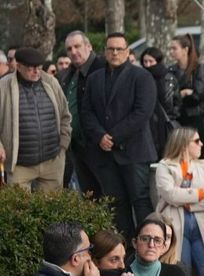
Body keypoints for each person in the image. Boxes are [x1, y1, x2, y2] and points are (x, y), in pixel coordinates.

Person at [81, 33, 157, 237]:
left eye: (119, 49)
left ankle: (149, 245)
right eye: (110, 49)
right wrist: (100, 136)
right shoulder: (94, 78)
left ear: (127, 52)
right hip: (104, 154)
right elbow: (86, 112)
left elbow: (142, 113)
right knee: (115, 204)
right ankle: (125, 249)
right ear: (104, 52)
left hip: (134, 151)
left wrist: (112, 137)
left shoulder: (141, 76)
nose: (115, 53)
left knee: (140, 201)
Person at [154, 126, 204, 276]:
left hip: (202, 230)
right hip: (176, 230)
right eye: (196, 141)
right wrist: (199, 194)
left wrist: (190, 205)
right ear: (184, 144)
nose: (201, 144)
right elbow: (170, 194)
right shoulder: (165, 166)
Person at [0, 47, 71, 192]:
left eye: (39, 67)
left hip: (52, 161)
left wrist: (63, 146)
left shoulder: (51, 82)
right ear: (18, 66)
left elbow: (65, 115)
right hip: (19, 165)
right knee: (20, 212)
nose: (36, 71)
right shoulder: (3, 86)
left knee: (52, 211)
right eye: (31, 68)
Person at [58, 30, 105, 195]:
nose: (73, 52)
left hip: (98, 145)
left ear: (89, 46)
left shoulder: (102, 69)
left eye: (77, 46)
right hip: (77, 145)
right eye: (69, 49)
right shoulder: (68, 74)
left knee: (108, 197)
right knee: (89, 196)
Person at [168, 34, 204, 150]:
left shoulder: (198, 68)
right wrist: (182, 93)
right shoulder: (171, 70)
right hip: (177, 116)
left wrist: (182, 94)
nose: (171, 52)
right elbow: (169, 95)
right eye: (171, 48)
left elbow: (198, 94)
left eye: (174, 48)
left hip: (195, 116)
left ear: (185, 50)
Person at [141, 47, 181, 157]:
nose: (148, 65)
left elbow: (171, 103)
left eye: (151, 61)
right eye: (145, 61)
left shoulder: (168, 78)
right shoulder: (140, 77)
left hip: (164, 123)